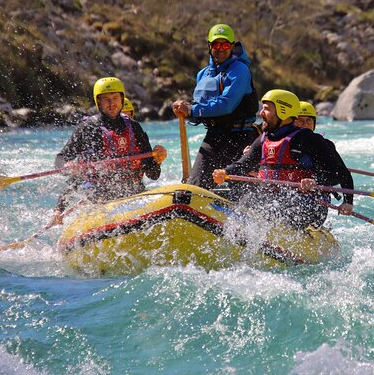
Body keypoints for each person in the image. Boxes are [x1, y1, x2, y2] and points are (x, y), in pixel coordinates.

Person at [213, 90, 354, 230]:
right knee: (224, 191)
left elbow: (341, 173)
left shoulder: (309, 139)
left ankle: (253, 229)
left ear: (283, 111)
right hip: (272, 198)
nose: (261, 113)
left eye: (266, 109)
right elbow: (244, 164)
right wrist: (224, 172)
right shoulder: (264, 139)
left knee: (273, 204)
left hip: (309, 204)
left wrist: (317, 182)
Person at [50, 77, 167, 225]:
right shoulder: (88, 128)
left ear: (122, 99)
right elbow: (61, 159)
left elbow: (153, 175)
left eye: (115, 98)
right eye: (106, 100)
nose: (112, 104)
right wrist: (66, 167)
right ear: (98, 102)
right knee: (84, 168)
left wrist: (157, 160)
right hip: (101, 199)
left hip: (134, 195)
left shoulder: (135, 128)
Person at [172, 23, 259, 190]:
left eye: (225, 44)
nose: (221, 48)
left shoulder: (240, 71)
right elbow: (200, 108)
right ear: (209, 46)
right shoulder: (203, 74)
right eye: (216, 44)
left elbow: (227, 105)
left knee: (236, 190)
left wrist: (192, 110)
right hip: (214, 137)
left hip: (240, 138)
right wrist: (185, 110)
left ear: (232, 46)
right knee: (195, 186)